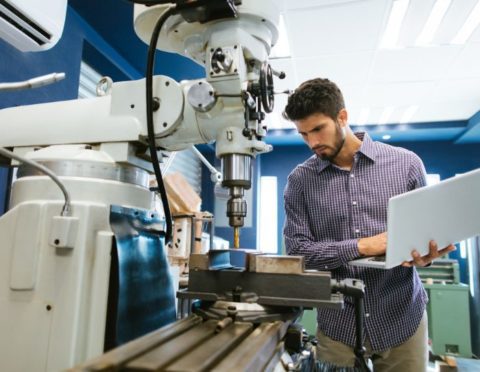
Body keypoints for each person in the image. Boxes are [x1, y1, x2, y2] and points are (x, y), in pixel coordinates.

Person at [282, 78, 455, 371]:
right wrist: (362, 246)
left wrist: (427, 256)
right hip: (339, 326)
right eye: (303, 134)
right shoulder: (300, 181)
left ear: (342, 117)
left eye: (317, 129)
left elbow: (427, 236)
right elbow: (298, 253)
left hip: (402, 319)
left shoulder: (407, 165)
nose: (312, 142)